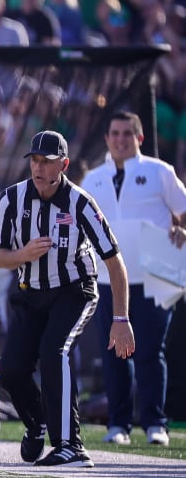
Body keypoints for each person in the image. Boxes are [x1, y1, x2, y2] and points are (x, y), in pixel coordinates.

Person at [0, 130, 135, 467]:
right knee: (11, 371)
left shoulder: (81, 203)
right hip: (31, 293)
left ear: (64, 165)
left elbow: (114, 262)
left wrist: (121, 318)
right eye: (35, 161)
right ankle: (37, 421)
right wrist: (23, 254)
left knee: (53, 351)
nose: (39, 168)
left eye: (47, 162)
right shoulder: (11, 199)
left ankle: (70, 444)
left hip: (74, 290)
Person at [81, 111, 186, 447]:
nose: (120, 139)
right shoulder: (94, 178)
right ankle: (119, 424)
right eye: (115, 133)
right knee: (114, 353)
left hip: (154, 275)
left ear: (139, 138)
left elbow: (183, 208)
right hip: (108, 280)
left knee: (150, 351)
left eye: (128, 133)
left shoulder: (159, 171)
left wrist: (181, 228)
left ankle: (156, 423)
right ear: (107, 138)